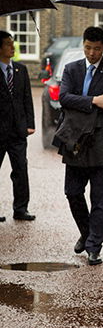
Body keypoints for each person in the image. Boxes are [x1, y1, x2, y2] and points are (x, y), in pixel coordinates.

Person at [56, 27, 103, 264]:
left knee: (100, 198)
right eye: (88, 48)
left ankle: (95, 245)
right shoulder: (71, 69)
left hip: (99, 140)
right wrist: (93, 100)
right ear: (83, 45)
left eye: (96, 48)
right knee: (72, 192)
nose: (92, 53)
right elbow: (63, 97)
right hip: (74, 138)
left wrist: (86, 102)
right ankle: (86, 232)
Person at [0, 31, 35, 223]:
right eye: (8, 44)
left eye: (12, 44)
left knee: (21, 169)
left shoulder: (21, 69)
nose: (12, 47)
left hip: (17, 131)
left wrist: (30, 123)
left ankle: (21, 208)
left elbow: (27, 98)